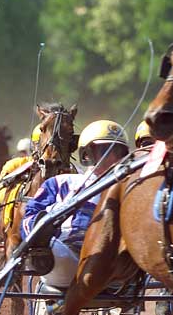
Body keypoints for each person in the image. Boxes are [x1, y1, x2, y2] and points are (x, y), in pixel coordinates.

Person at [20, 120, 129, 289]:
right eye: (105, 152)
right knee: (56, 249)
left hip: (111, 265)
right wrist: (39, 227)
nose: (113, 159)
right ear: (87, 155)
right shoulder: (61, 182)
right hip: (65, 259)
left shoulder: (130, 189)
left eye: (118, 153)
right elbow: (30, 214)